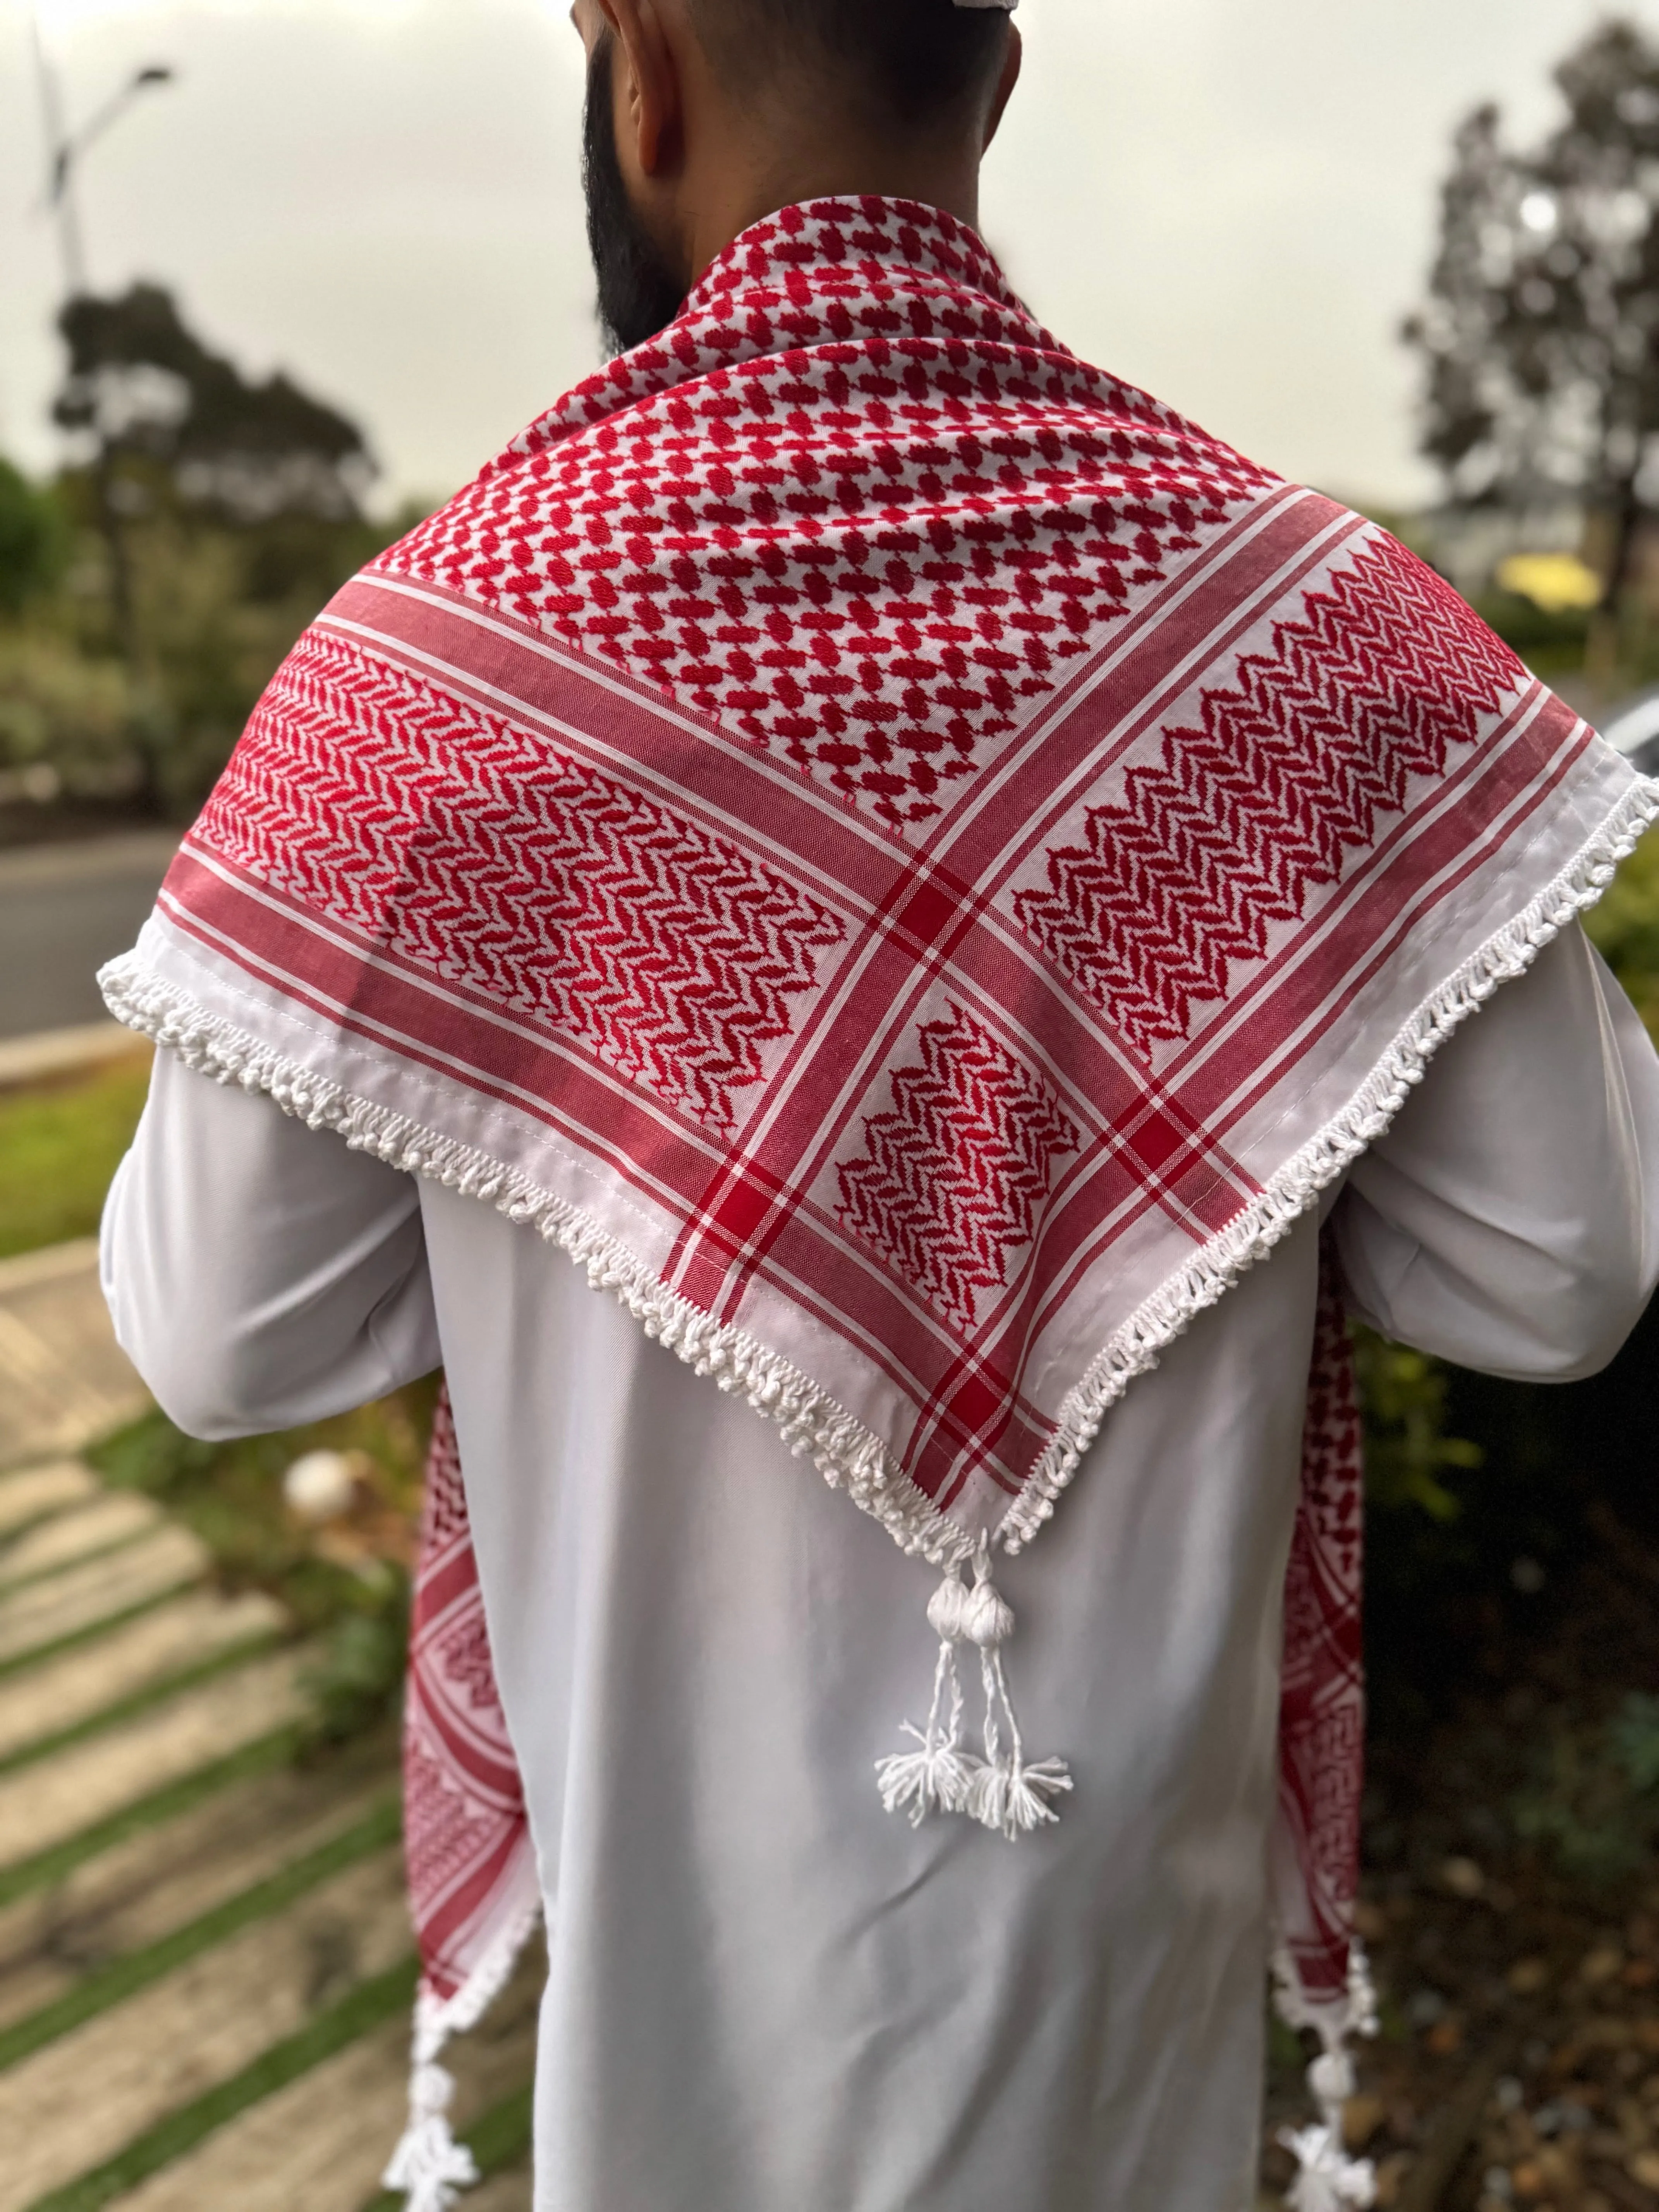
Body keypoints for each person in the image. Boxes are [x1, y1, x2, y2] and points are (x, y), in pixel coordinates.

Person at [99, 3, 1659, 2208]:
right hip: (1132, 2024)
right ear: (993, 78)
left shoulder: (419, 684)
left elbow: (219, 1337)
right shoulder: (1324, 637)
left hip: (678, 2068)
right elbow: (1560, 1268)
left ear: (632, 69)